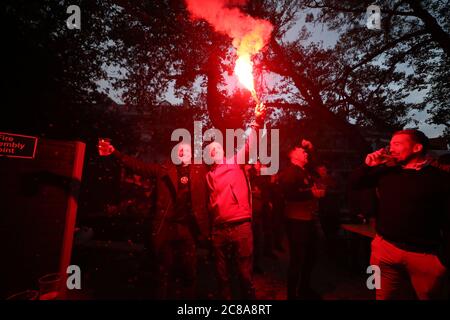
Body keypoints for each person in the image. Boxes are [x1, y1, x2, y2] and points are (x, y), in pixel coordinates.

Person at [98, 141, 209, 299]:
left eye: (186, 149)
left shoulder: (200, 170)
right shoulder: (163, 170)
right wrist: (116, 153)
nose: (183, 151)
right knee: (164, 270)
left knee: (189, 270)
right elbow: (139, 167)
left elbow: (220, 168)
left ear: (192, 154)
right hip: (166, 226)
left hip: (186, 228)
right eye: (180, 149)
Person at [350, 129, 449, 300]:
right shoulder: (387, 172)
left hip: (424, 255)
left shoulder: (440, 179)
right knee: (381, 294)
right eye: (390, 144)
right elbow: (355, 183)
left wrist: (444, 260)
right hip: (384, 249)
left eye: (397, 144)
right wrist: (368, 165)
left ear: (417, 148)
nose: (391, 148)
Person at [204, 103, 265, 299]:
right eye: (213, 150)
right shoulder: (207, 176)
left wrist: (258, 121)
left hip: (240, 226)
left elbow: (251, 144)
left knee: (244, 275)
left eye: (219, 148)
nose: (217, 151)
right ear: (209, 156)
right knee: (222, 278)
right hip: (219, 229)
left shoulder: (235, 161)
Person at [280, 143, 325, 300]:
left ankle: (304, 288)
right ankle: (292, 295)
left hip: (308, 219)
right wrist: (312, 195)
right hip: (297, 221)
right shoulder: (290, 172)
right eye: (302, 151)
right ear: (293, 155)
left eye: (306, 152)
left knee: (311, 256)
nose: (306, 154)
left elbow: (316, 165)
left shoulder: (304, 171)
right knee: (297, 259)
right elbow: (288, 195)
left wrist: (312, 149)